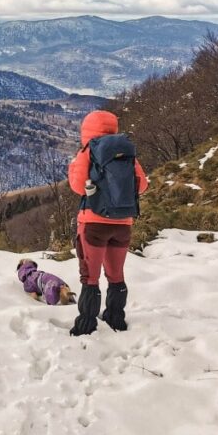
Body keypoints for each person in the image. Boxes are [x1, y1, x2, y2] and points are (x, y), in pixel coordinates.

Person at [67, 110, 149, 336]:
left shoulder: (88, 151)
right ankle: (116, 317)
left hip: (93, 224)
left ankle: (86, 323)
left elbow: (76, 186)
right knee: (116, 274)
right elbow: (141, 186)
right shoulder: (125, 152)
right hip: (123, 224)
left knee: (90, 277)